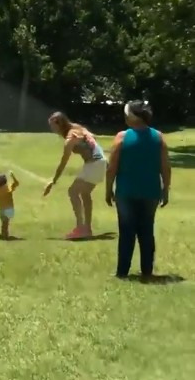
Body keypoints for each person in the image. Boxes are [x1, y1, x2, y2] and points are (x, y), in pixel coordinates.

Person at [105, 100, 171, 280]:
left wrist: (108, 189)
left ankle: (122, 272)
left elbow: (112, 167)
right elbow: (165, 167)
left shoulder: (121, 137)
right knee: (146, 230)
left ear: (131, 117)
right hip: (150, 191)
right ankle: (147, 270)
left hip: (126, 192)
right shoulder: (158, 137)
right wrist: (165, 190)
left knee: (126, 231)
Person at [43, 111, 107, 239]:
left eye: (53, 126)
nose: (52, 129)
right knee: (85, 194)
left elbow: (63, 162)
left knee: (73, 192)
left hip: (94, 163)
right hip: (101, 161)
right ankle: (87, 229)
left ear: (59, 124)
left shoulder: (70, 139)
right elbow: (92, 137)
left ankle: (80, 228)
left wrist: (53, 181)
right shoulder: (77, 128)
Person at [0, 171, 19, 240]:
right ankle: (3, 233)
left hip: (6, 209)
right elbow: (16, 183)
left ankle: (5, 235)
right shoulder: (8, 187)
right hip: (5, 208)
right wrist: (13, 177)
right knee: (4, 223)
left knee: (5, 223)